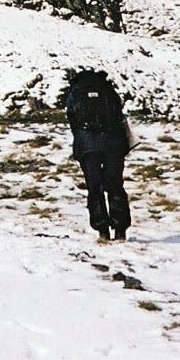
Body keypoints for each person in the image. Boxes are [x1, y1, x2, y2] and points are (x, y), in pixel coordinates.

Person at [65, 68, 132, 242]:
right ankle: (120, 229)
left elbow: (72, 119)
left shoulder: (76, 91)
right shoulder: (108, 90)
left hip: (88, 146)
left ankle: (102, 229)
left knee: (94, 188)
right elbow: (119, 114)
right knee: (115, 185)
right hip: (113, 144)